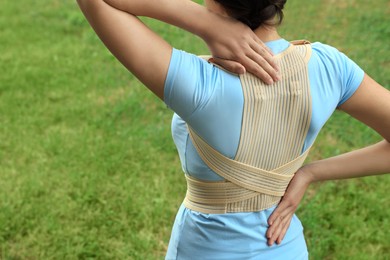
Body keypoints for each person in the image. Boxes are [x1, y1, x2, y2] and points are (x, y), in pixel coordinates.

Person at [76, 0, 390, 259]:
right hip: (284, 247)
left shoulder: (197, 82)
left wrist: (203, 22)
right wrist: (310, 172)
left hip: (202, 248)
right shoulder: (328, 66)